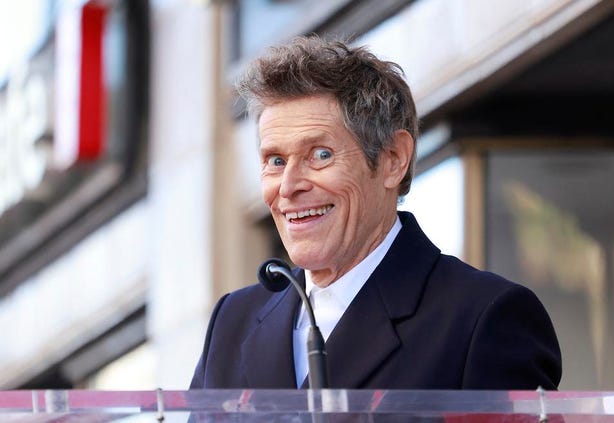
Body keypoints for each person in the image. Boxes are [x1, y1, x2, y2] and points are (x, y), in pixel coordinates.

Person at [190, 35, 561, 390]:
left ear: (392, 160)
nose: (288, 186)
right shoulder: (233, 320)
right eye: (275, 160)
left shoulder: (483, 316)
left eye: (320, 155)